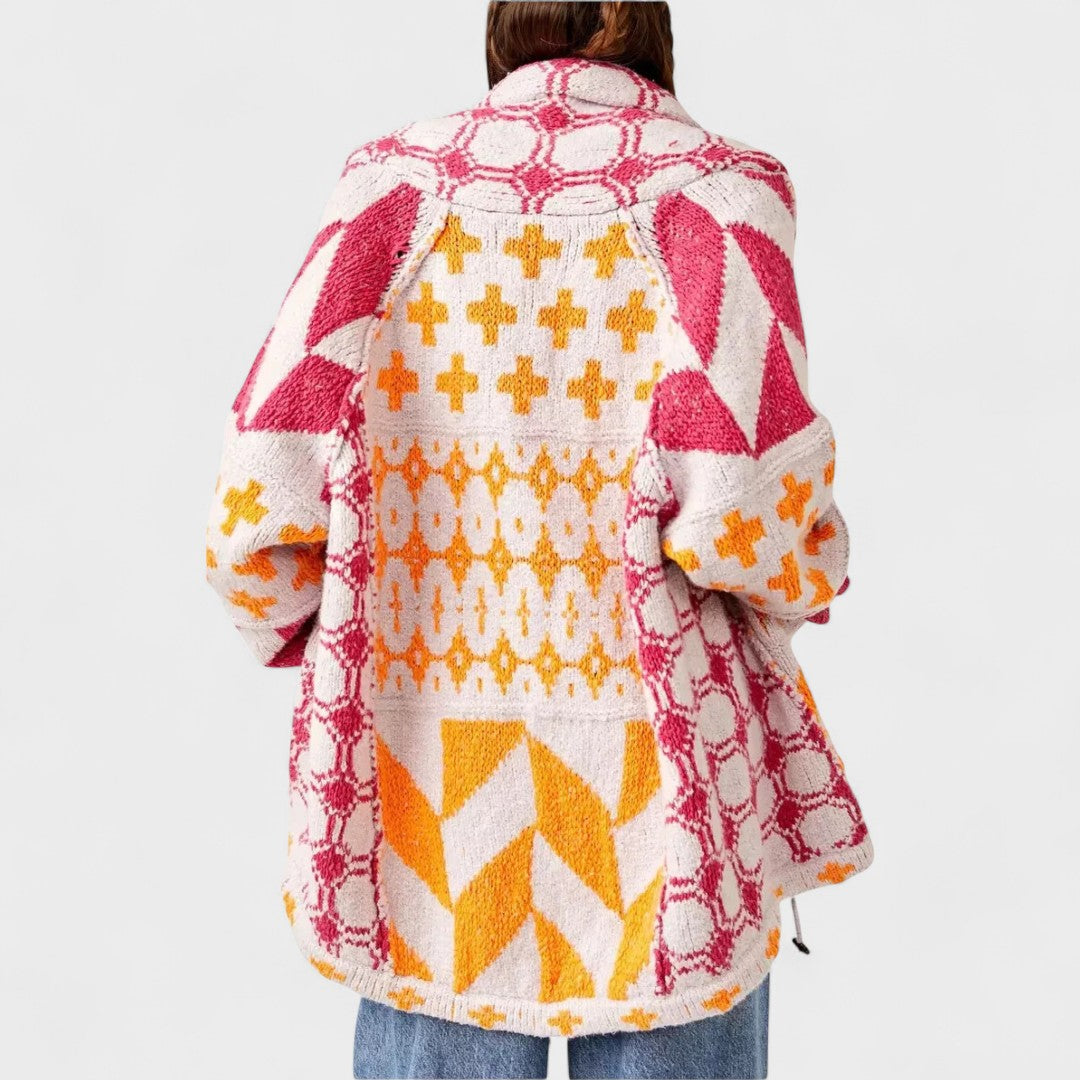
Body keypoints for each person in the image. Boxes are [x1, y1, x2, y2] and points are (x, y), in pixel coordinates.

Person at [203, 3, 873, 1077]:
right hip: (668, 799)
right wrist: (816, 572)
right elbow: (748, 519)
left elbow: (256, 506)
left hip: (423, 792)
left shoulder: (385, 195)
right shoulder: (721, 196)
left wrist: (308, 624)